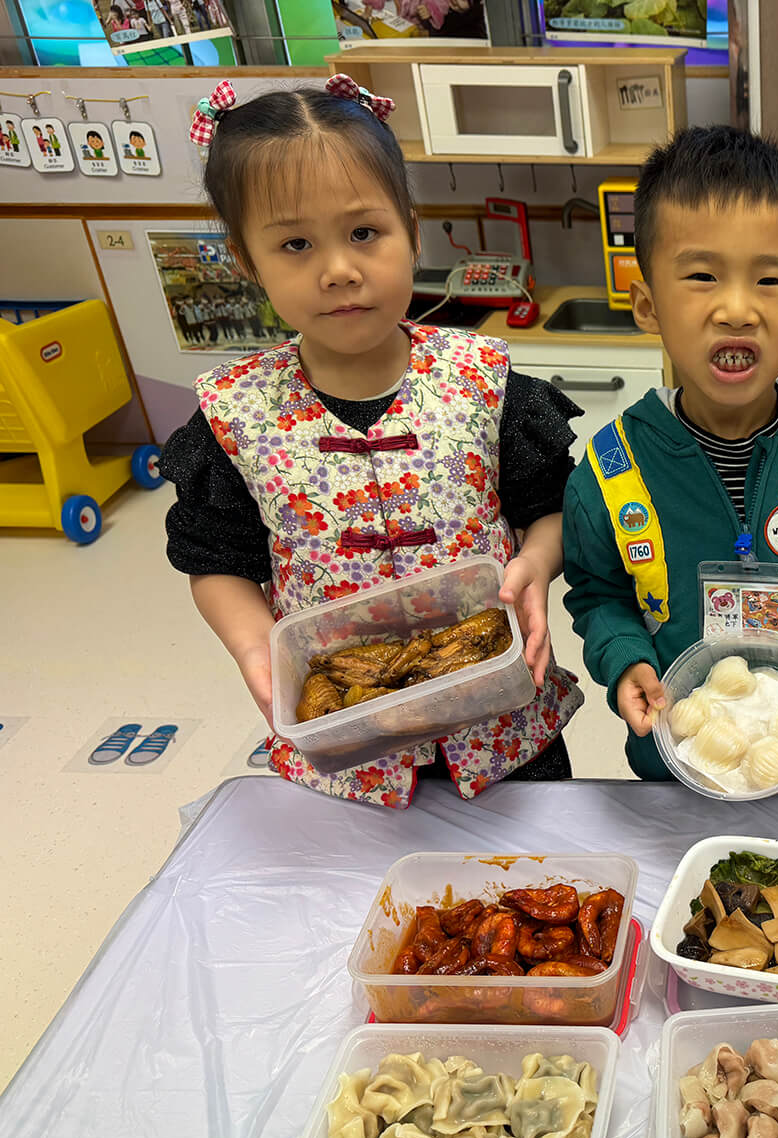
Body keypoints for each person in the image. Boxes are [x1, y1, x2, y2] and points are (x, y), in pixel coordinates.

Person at [159, 79, 584, 808]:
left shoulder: (483, 383)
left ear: (411, 231)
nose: (339, 270)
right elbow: (217, 561)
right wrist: (257, 651)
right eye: (295, 244)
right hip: (345, 735)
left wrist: (537, 567)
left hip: (501, 721)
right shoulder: (235, 415)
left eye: (364, 233)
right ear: (246, 260)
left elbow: (547, 509)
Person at [562, 125, 778, 787]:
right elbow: (599, 594)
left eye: (770, 279)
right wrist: (624, 657)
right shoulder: (610, 471)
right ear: (647, 304)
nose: (737, 310)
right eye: (702, 276)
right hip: (675, 768)